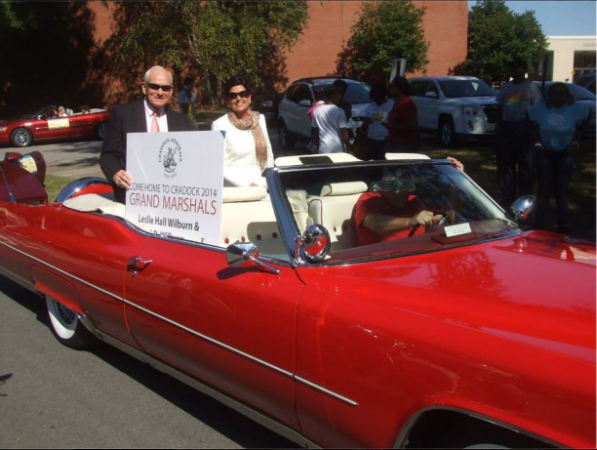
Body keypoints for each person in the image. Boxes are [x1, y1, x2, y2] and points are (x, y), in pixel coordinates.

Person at [100, 65, 194, 203]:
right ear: (144, 88)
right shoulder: (122, 115)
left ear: (171, 90)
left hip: (172, 201)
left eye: (165, 88)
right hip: (133, 198)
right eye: (154, 87)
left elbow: (190, 160)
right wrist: (116, 173)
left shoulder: (183, 122)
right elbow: (108, 155)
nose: (160, 92)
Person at [352, 157, 464, 246]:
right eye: (391, 185)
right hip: (380, 263)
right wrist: (412, 221)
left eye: (405, 184)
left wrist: (456, 181)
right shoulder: (369, 199)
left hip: (419, 258)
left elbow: (447, 217)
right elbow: (376, 224)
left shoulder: (413, 201)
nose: (399, 192)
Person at [528, 82, 590, 233]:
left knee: (562, 187)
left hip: (565, 152)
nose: (557, 97)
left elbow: (587, 114)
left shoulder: (574, 108)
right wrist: (536, 139)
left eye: (561, 94)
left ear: (567, 96)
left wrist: (577, 139)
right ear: (549, 95)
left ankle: (564, 222)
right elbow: (530, 120)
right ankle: (540, 221)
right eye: (554, 94)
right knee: (544, 187)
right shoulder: (541, 108)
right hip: (545, 151)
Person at [495, 59, 543, 205]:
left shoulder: (531, 88)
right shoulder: (506, 87)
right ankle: (507, 195)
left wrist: (534, 131)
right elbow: (499, 107)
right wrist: (499, 127)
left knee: (525, 166)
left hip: (524, 129)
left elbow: (538, 110)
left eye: (518, 68)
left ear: (524, 70)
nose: (515, 71)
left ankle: (525, 198)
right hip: (507, 129)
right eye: (513, 68)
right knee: (506, 164)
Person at [211, 76, 274, 188]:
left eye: (243, 94)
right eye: (233, 96)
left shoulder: (260, 120)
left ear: (249, 98)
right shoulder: (220, 125)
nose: (238, 98)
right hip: (236, 189)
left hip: (262, 185)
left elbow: (269, 155)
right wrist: (248, 185)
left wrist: (271, 180)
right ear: (227, 101)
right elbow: (218, 165)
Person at [311, 84, 350, 154]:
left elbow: (314, 131)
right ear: (334, 96)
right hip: (337, 148)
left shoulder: (317, 110)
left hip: (323, 148)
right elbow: (344, 133)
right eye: (339, 95)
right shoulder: (340, 111)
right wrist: (348, 148)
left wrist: (316, 146)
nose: (340, 97)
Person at [384, 76, 420, 151]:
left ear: (399, 88)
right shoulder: (397, 103)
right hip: (394, 142)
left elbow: (412, 126)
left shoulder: (407, 103)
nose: (390, 89)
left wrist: (391, 126)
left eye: (391, 87)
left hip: (404, 145)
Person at [361, 83, 394, 160]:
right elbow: (366, 121)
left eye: (378, 99)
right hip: (371, 139)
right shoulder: (371, 106)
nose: (376, 102)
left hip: (384, 141)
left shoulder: (392, 105)